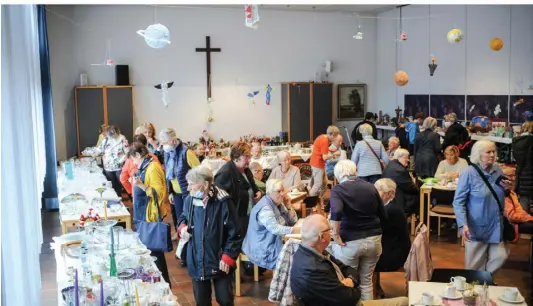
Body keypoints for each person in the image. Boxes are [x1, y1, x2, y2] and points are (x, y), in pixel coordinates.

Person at [290, 214, 408, 306]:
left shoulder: (313, 252)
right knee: (405, 302)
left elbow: (347, 269)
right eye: (329, 230)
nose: (332, 232)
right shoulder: (313, 270)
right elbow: (352, 298)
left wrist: (350, 281)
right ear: (322, 237)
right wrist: (353, 286)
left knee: (404, 301)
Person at [177, 166, 242, 306]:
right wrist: (182, 227)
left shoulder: (222, 201)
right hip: (197, 258)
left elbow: (235, 231)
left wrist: (228, 256)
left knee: (225, 299)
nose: (188, 188)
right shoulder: (190, 200)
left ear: (205, 184)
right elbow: (183, 217)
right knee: (202, 301)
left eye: (192, 184)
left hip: (219, 259)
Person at [329, 160, 387, 301]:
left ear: (339, 175)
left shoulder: (338, 190)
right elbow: (383, 215)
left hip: (350, 241)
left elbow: (336, 212)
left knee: (350, 280)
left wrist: (335, 234)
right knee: (366, 282)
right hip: (374, 239)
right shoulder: (370, 187)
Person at [453, 140, 511, 273]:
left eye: (493, 151)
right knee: (474, 266)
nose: (492, 155)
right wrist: (463, 225)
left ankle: (484, 279)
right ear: (479, 155)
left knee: (500, 256)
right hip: (476, 226)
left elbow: (500, 192)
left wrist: (507, 190)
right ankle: (478, 285)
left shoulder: (497, 169)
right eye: (488, 152)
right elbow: (458, 202)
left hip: (496, 224)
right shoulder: (469, 173)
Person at [128, 143, 170, 286]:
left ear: (139, 155)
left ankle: (164, 284)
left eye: (134, 159)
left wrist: (141, 186)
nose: (133, 162)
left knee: (154, 252)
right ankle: (156, 282)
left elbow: (159, 193)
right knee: (149, 252)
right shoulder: (146, 166)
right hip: (143, 214)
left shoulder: (153, 167)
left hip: (150, 216)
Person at [159, 128, 201, 264]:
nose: (162, 145)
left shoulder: (187, 152)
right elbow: (169, 174)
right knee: (181, 222)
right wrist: (170, 191)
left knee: (190, 223)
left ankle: (190, 253)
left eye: (164, 142)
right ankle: (184, 252)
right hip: (176, 193)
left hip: (188, 192)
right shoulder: (167, 153)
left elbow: (199, 171)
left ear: (172, 140)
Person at [243, 179, 300, 270]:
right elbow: (275, 229)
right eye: (278, 191)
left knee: (299, 252)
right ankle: (283, 282)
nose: (282, 194)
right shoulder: (265, 208)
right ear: (269, 192)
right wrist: (296, 230)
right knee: (296, 258)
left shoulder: (277, 204)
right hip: (261, 249)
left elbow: (292, 222)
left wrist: (289, 207)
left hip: (270, 243)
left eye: (282, 190)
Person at [373, 179, 411, 298]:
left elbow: (376, 228)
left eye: (378, 191)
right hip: (395, 247)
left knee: (365, 259)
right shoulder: (390, 205)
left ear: (389, 193)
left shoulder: (391, 210)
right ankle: (376, 288)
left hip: (395, 255)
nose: (375, 194)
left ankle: (370, 294)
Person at [214, 142, 261, 236]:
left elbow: (252, 185)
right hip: (237, 222)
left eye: (249, 156)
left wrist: (257, 191)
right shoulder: (225, 174)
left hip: (248, 216)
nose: (249, 159)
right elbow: (219, 202)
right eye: (246, 156)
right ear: (236, 157)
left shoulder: (245, 169)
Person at [382, 149, 419, 215]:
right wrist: (415, 184)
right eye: (406, 158)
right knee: (421, 196)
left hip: (388, 198)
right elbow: (412, 188)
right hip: (399, 200)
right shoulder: (400, 170)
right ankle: (423, 220)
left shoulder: (389, 165)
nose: (408, 160)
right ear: (399, 157)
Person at [309, 126, 340, 199]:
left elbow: (322, 149)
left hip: (318, 164)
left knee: (324, 184)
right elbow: (325, 157)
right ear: (332, 135)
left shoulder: (322, 137)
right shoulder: (325, 141)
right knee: (318, 184)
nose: (335, 138)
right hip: (317, 164)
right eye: (335, 136)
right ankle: (310, 203)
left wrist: (331, 150)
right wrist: (335, 154)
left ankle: (320, 201)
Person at [98, 125, 129, 196]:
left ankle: (119, 199)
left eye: (113, 133)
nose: (111, 136)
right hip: (108, 167)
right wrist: (91, 151)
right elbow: (100, 149)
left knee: (119, 185)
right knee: (111, 186)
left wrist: (121, 160)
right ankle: (113, 200)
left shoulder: (122, 138)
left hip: (119, 167)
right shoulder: (106, 139)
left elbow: (127, 152)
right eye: (109, 134)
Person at [512, 115, 533, 212]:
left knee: (524, 200)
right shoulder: (530, 141)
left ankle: (523, 223)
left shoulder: (517, 141)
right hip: (530, 173)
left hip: (521, 173)